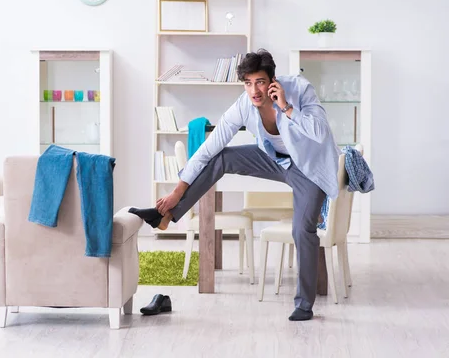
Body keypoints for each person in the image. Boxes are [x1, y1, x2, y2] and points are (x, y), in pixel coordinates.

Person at [129, 48, 341, 321]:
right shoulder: (244, 104)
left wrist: (286, 107)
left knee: (302, 230)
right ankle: (166, 214)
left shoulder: (299, 89)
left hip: (309, 169)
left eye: (260, 82)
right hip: (276, 161)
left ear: (272, 80)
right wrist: (176, 191)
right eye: (248, 83)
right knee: (221, 157)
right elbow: (207, 148)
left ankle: (304, 305)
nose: (254, 90)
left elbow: (321, 132)